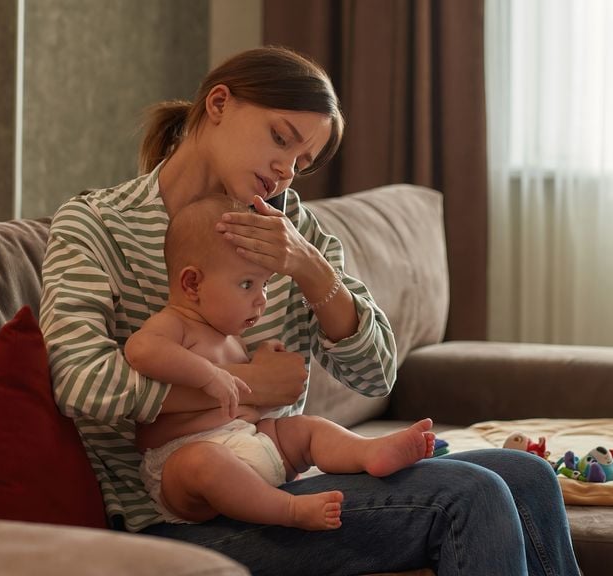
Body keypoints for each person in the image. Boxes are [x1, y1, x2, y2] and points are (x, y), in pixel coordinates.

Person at [40, 45, 581, 575]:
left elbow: (375, 373)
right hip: (178, 518)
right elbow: (80, 381)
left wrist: (309, 266)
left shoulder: (290, 226)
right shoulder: (97, 227)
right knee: (472, 493)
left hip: (279, 477)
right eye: (280, 138)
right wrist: (246, 385)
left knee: (529, 475)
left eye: (303, 161)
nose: (285, 170)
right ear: (219, 104)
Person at [125, 194, 436, 530]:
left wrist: (259, 361)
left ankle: (367, 452)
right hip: (183, 463)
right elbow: (140, 350)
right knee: (205, 462)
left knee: (306, 429)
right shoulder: (175, 323)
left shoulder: (229, 336)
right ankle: (289, 509)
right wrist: (208, 375)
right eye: (246, 284)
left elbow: (250, 403)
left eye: (265, 284)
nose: (260, 299)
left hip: (251, 442)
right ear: (192, 283)